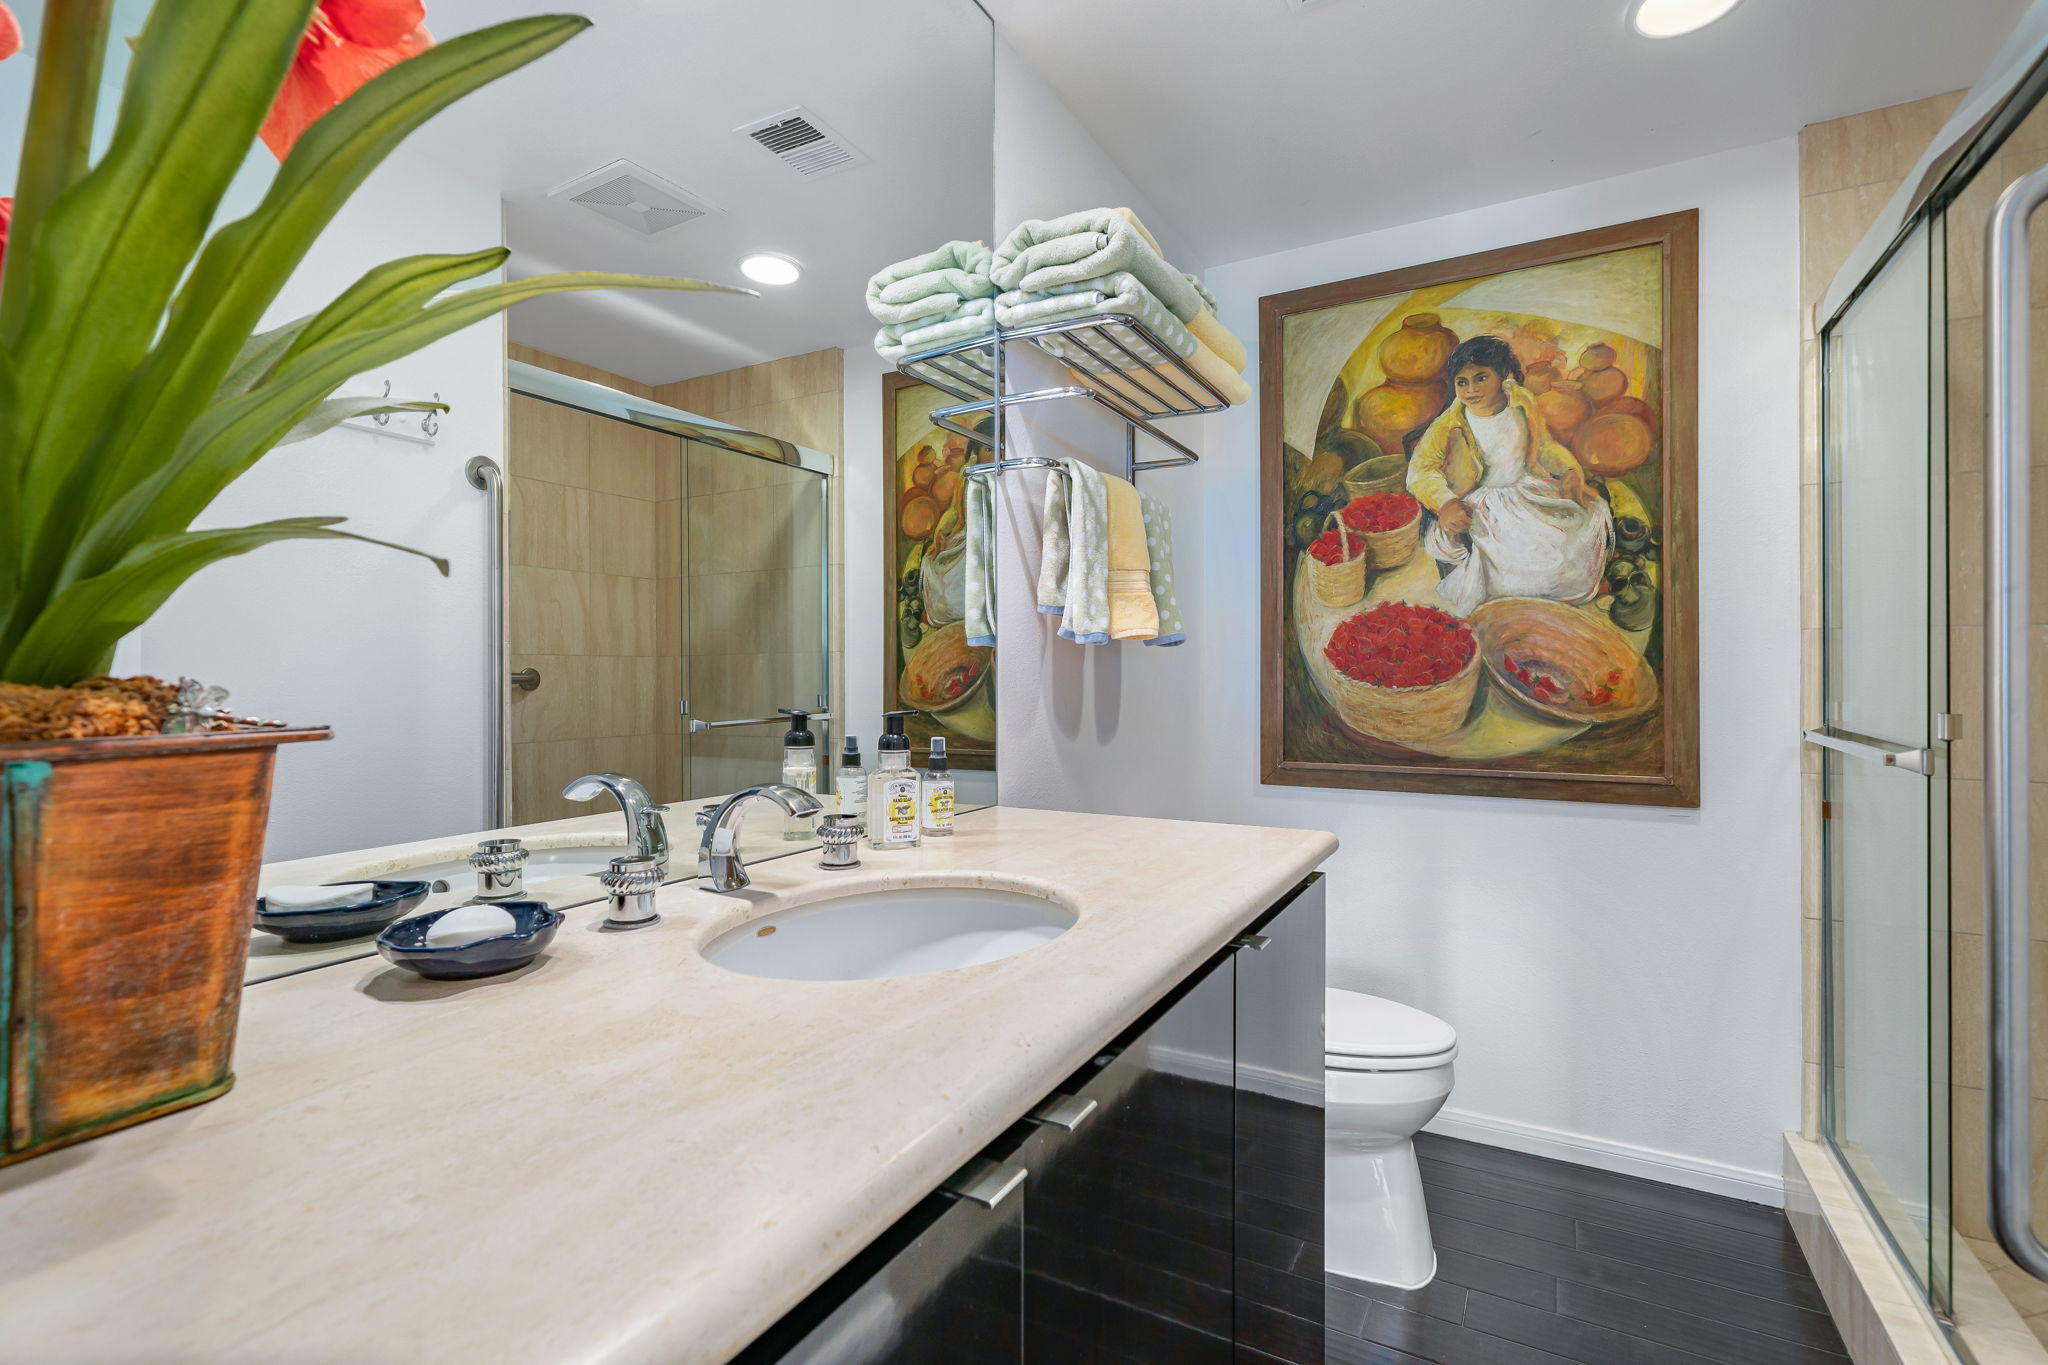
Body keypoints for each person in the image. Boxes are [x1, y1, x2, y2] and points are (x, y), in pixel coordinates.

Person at [1405, 334, 1611, 616]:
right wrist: (1446, 502)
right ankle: (1521, 605)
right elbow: (1420, 471)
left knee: (1576, 527)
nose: (1470, 390)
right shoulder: (1451, 422)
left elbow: (1544, 445)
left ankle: (1564, 593)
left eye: (1481, 378)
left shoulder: (1521, 401)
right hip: (1482, 504)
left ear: (1502, 376)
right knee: (1517, 558)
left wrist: (1570, 471)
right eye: (1461, 382)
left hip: (1525, 489)